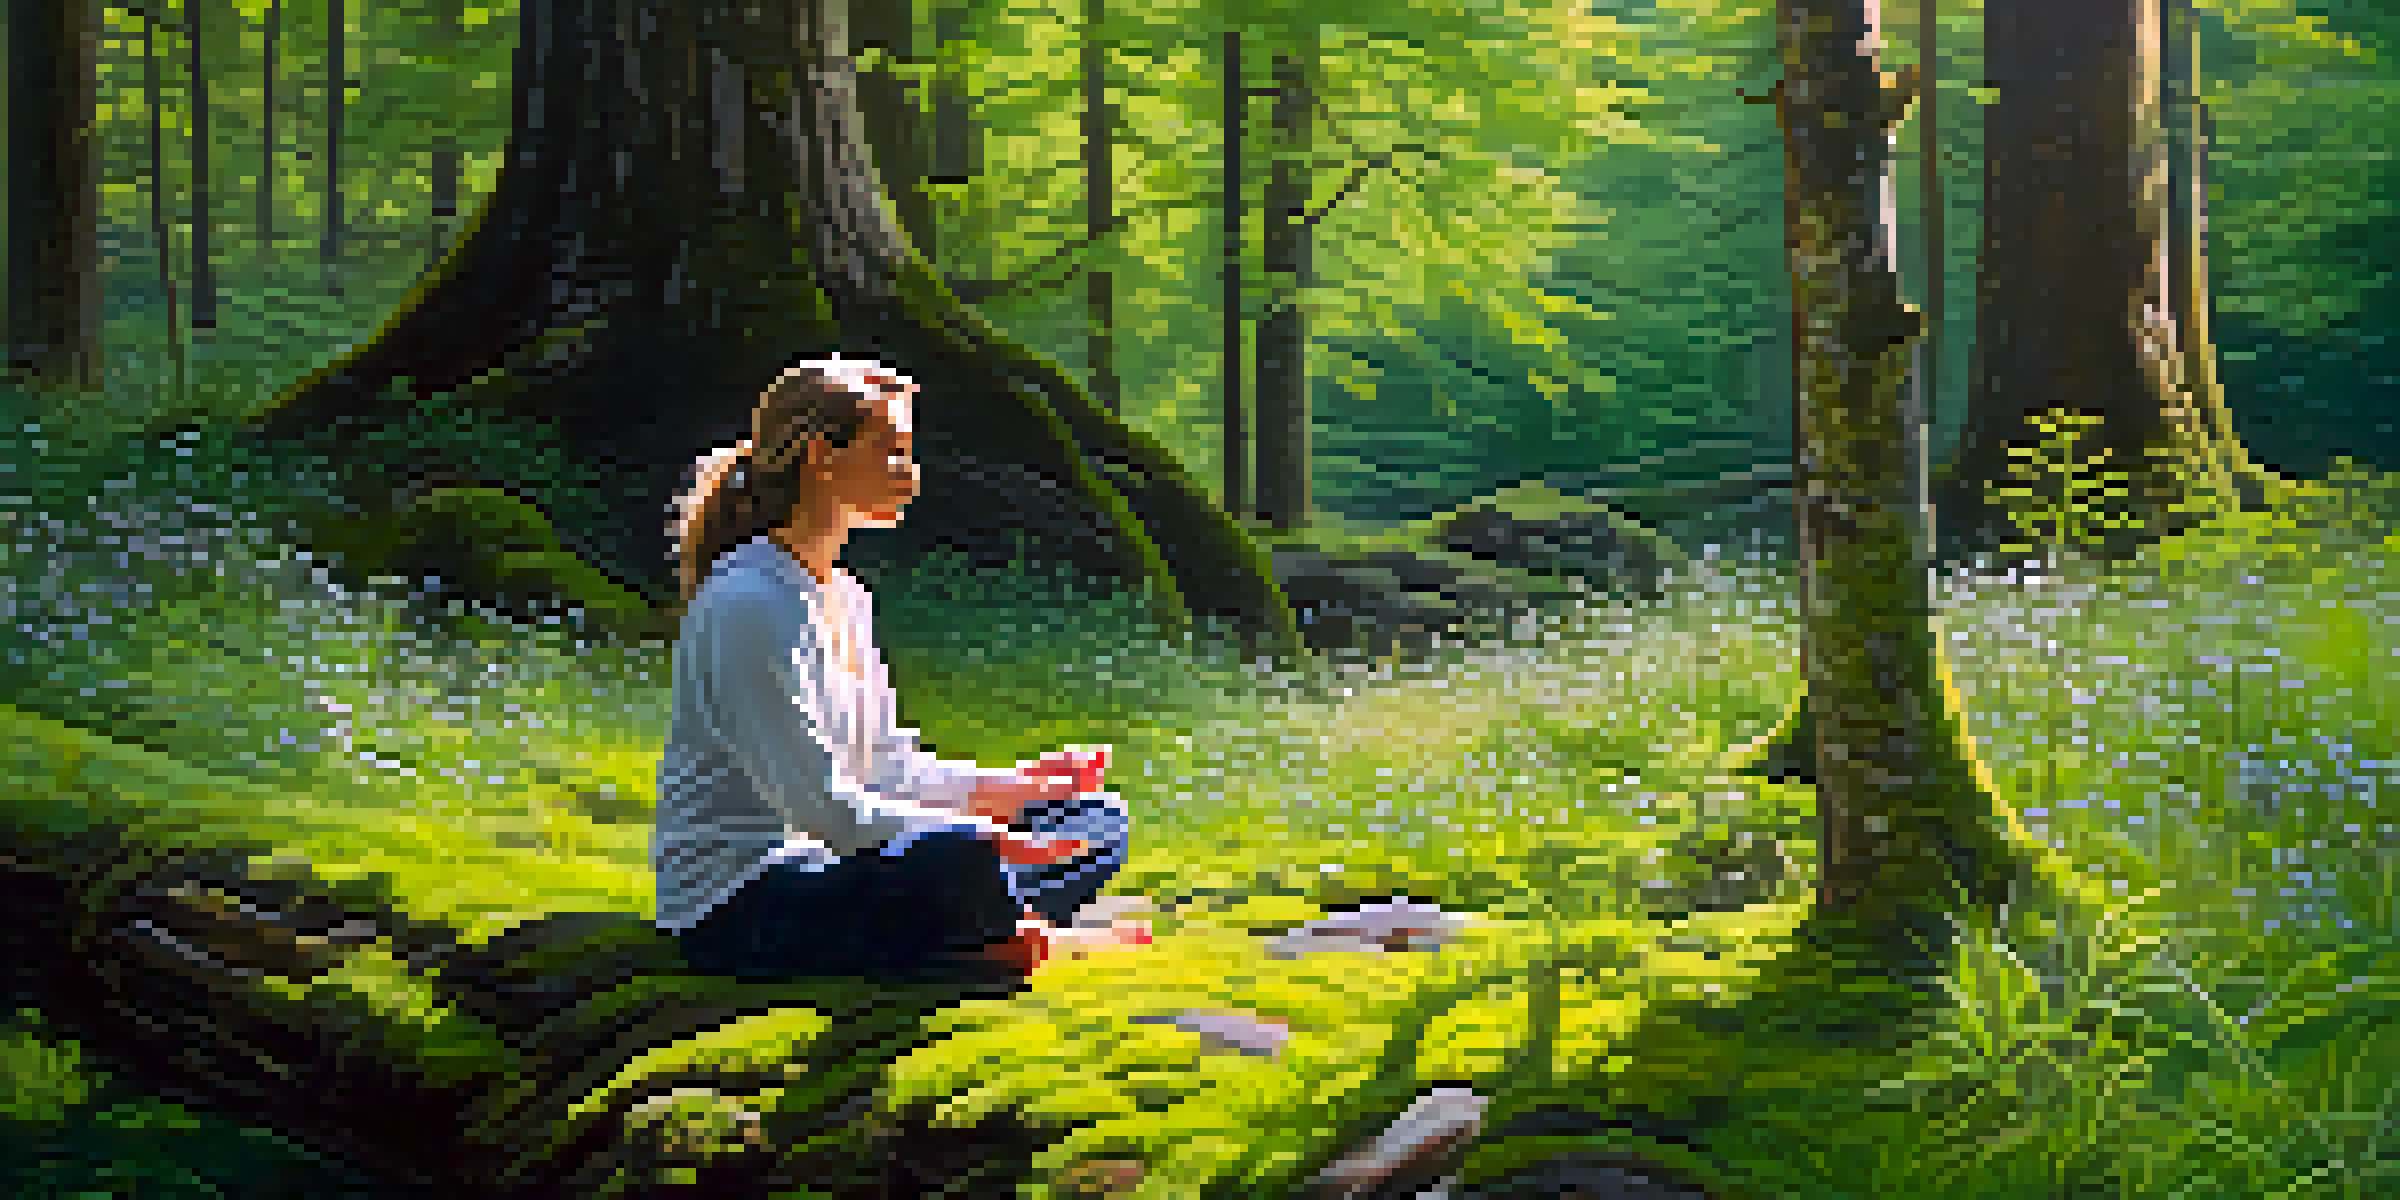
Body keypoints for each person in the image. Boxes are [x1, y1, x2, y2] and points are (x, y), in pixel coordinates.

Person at [653, 355, 1152, 983]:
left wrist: (1020, 789)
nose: (910, 475)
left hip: (852, 860)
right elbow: (824, 812)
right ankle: (1013, 931)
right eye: (890, 451)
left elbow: (887, 770)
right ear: (821, 456)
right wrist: (984, 836)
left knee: (1095, 821)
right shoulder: (748, 601)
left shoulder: (847, 598)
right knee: (957, 855)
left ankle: (982, 926)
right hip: (748, 896)